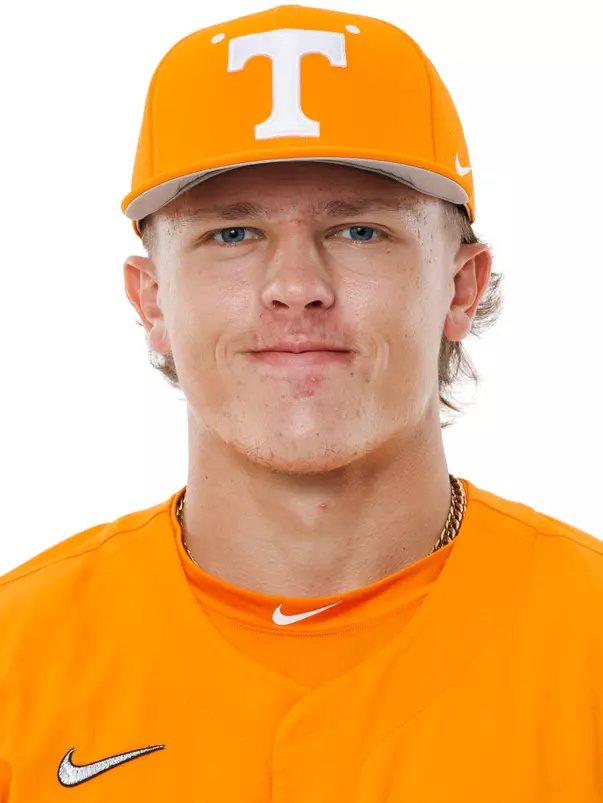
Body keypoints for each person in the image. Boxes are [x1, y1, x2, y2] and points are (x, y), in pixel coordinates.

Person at [0, 5, 601, 801]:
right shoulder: (18, 660)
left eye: (358, 231)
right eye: (231, 234)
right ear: (151, 300)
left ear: (460, 287)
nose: (296, 289)